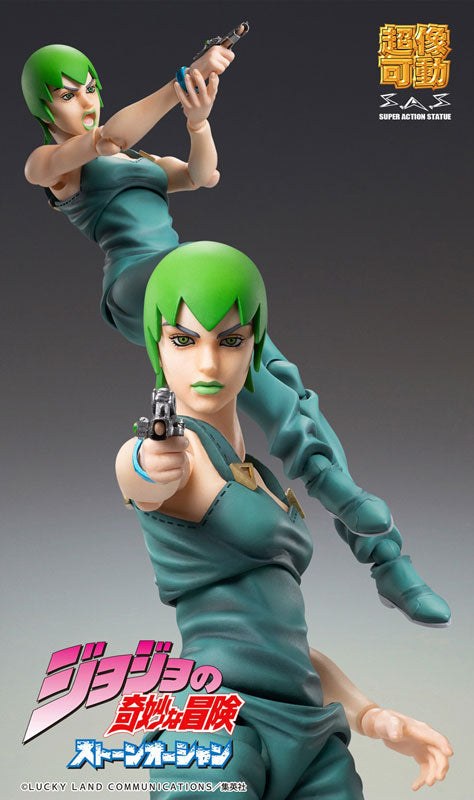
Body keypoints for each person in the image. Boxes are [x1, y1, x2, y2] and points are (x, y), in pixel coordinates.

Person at [21, 44, 450, 626]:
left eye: (91, 87)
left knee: (279, 382)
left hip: (193, 281)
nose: (86, 102)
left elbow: (204, 175)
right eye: (67, 95)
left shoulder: (140, 157)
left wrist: (198, 121)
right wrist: (178, 85)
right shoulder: (51, 164)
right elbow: (109, 138)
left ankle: (383, 554)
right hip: (140, 285)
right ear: (43, 108)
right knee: (214, 277)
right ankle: (368, 533)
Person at [116, 242, 452, 799]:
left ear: (255, 344)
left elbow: (283, 649)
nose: (207, 364)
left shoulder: (264, 480)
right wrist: (145, 463)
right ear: (157, 344)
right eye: (183, 339)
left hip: (306, 733)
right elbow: (139, 472)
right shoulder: (179, 455)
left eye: (230, 341)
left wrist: (371, 716)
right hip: (214, 723)